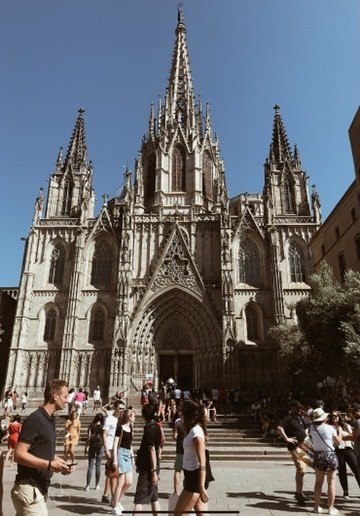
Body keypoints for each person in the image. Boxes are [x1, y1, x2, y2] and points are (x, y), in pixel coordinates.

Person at [11, 379, 73, 515]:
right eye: (65, 396)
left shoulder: (50, 420)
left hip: (38, 488)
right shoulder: (35, 419)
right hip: (29, 488)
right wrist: (49, 464)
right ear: (55, 396)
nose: (67, 400)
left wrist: (59, 463)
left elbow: (40, 450)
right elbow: (19, 454)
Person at [174, 400, 209, 515]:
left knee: (178, 514)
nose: (180, 415)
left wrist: (201, 486)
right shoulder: (191, 429)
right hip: (190, 476)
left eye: (181, 412)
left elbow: (202, 462)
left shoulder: (196, 432)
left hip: (195, 480)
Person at [309, 407, 342, 514]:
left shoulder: (312, 427)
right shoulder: (330, 428)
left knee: (318, 482)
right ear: (324, 418)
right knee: (331, 483)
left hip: (318, 456)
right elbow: (338, 442)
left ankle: (316, 506)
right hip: (330, 454)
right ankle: (331, 508)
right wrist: (340, 431)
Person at [276, 400, 308, 505]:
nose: (300, 410)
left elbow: (305, 429)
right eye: (298, 408)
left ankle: (299, 492)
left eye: (301, 408)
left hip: (302, 446)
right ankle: (299, 492)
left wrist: (305, 436)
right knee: (301, 469)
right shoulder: (288, 419)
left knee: (301, 470)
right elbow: (279, 428)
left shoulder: (300, 419)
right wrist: (287, 439)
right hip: (294, 447)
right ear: (293, 408)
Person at [133, 404, 162, 514]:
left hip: (148, 468)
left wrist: (153, 471)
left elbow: (152, 450)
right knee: (154, 497)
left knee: (139, 499)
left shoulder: (149, 429)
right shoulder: (157, 426)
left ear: (143, 416)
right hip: (153, 466)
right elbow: (159, 446)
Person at [330, 409, 360, 498]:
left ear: (339, 417)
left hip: (348, 449)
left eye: (336, 416)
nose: (334, 418)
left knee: (356, 469)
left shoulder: (345, 425)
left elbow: (353, 435)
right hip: (337, 450)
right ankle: (345, 491)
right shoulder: (330, 427)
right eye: (332, 416)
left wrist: (341, 436)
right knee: (342, 471)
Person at [112, 408, 136, 515]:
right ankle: (115, 506)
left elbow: (130, 444)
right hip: (120, 453)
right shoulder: (120, 428)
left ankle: (117, 499)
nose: (135, 417)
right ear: (129, 417)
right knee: (120, 482)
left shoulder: (131, 428)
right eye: (133, 416)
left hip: (127, 454)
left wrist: (132, 457)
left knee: (129, 482)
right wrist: (115, 459)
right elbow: (115, 444)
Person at [102, 400, 122, 504]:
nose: (121, 410)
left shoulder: (122, 421)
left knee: (112, 472)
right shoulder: (109, 419)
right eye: (119, 408)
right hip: (110, 447)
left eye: (123, 408)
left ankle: (106, 494)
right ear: (114, 408)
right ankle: (114, 498)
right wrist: (106, 449)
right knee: (114, 472)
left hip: (119, 448)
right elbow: (104, 434)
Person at [85, 412, 105, 491]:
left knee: (90, 465)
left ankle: (87, 485)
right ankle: (97, 485)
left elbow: (88, 437)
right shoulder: (103, 426)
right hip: (100, 445)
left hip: (92, 445)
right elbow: (104, 436)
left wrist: (86, 446)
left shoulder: (91, 426)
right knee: (98, 465)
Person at [172, 407, 185, 495]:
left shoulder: (177, 422)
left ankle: (176, 491)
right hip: (189, 449)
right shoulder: (191, 422)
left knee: (177, 470)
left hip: (180, 447)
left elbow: (175, 436)